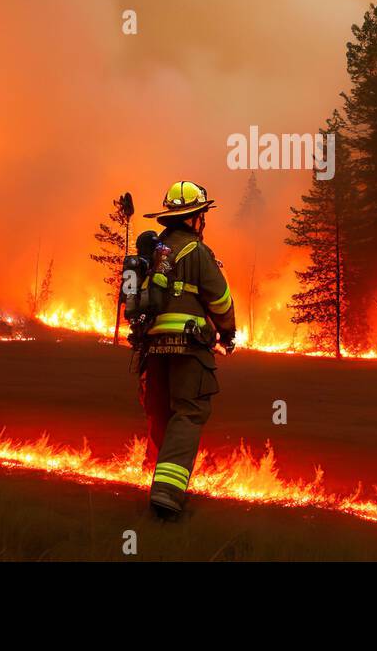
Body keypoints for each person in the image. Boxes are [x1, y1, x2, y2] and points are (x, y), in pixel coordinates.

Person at [136, 180, 236, 518]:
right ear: (194, 219)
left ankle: (161, 479)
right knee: (189, 412)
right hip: (188, 346)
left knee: (161, 412)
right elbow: (220, 299)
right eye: (202, 216)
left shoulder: (155, 253)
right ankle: (167, 492)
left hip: (154, 347)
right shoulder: (196, 252)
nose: (203, 223)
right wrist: (227, 333)